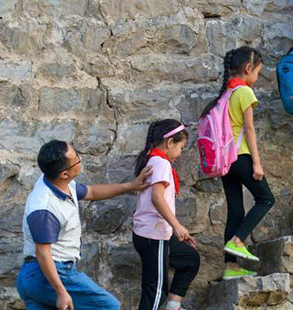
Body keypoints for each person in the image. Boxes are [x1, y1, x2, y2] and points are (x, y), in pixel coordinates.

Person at [17, 140, 152, 310]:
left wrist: (132, 186)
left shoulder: (58, 182)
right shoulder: (45, 208)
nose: (80, 159)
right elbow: (43, 253)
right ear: (64, 174)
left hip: (35, 277)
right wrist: (61, 292)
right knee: (108, 306)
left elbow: (92, 191)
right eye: (76, 159)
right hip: (49, 274)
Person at [199, 46, 275, 280]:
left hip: (225, 161)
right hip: (241, 157)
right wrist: (257, 163)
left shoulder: (225, 94)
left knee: (235, 210)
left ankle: (231, 267)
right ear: (248, 68)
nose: (257, 77)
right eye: (258, 72)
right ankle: (238, 240)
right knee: (266, 199)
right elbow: (249, 129)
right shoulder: (244, 92)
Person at [132, 119, 200, 310]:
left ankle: (173, 305)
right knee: (155, 293)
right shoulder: (161, 163)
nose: (180, 153)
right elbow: (157, 197)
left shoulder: (153, 159)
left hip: (154, 234)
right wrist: (177, 226)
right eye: (181, 148)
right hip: (154, 236)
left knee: (190, 259)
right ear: (170, 142)